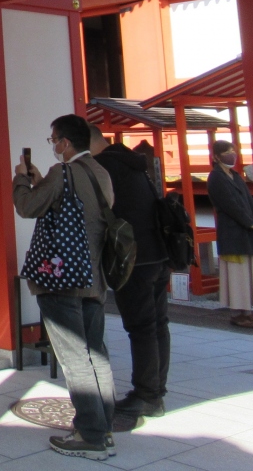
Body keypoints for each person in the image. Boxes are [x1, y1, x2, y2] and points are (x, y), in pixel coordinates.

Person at [15, 114, 117, 460]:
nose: (54, 146)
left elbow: (28, 206)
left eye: (54, 140)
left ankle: (90, 435)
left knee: (74, 359)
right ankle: (104, 429)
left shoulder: (62, 172)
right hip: (94, 278)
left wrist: (21, 179)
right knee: (96, 354)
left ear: (65, 143)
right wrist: (41, 181)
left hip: (62, 279)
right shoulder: (100, 172)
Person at [89, 125, 169, 419]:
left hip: (133, 258)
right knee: (157, 324)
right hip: (158, 253)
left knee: (141, 327)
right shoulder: (133, 162)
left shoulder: (104, 166)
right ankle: (156, 391)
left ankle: (147, 395)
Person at [206, 139, 253, 327]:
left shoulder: (235, 175)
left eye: (233, 151)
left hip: (246, 231)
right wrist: (250, 223)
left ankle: (248, 311)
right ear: (216, 157)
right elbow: (230, 205)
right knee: (236, 272)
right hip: (232, 230)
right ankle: (237, 313)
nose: (231, 156)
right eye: (226, 153)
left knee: (248, 270)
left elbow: (249, 200)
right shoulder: (215, 178)